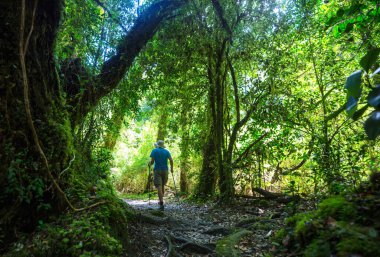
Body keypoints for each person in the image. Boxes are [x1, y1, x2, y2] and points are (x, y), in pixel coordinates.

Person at [149, 140, 173, 210]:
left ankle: (161, 202)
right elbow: (171, 160)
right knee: (162, 185)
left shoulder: (154, 150)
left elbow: (152, 162)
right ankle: (161, 201)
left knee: (159, 186)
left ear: (157, 145)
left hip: (157, 170)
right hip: (165, 170)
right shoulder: (166, 151)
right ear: (163, 145)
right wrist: (172, 169)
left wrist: (149, 164)